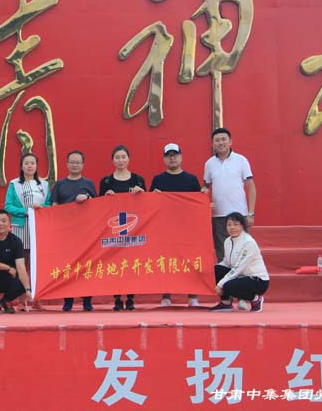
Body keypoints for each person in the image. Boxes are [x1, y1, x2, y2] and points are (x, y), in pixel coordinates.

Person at [150, 142, 202, 308]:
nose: (172, 158)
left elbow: (198, 203)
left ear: (181, 157)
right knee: (166, 260)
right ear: (164, 159)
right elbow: (150, 204)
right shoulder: (158, 180)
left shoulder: (191, 179)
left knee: (190, 260)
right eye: (168, 156)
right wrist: (154, 196)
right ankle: (166, 295)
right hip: (165, 228)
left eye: (175, 155)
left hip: (187, 227)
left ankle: (192, 296)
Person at [99, 145, 145, 311]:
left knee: (131, 262)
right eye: (117, 157)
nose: (120, 160)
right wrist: (106, 197)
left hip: (134, 229)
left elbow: (147, 205)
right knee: (115, 262)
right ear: (112, 160)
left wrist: (141, 193)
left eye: (123, 157)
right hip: (113, 229)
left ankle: (131, 297)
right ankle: (117, 297)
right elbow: (99, 206)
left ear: (128, 159)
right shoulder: (106, 181)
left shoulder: (138, 179)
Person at [51, 150, 97, 312]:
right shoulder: (60, 184)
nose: (75, 165)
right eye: (72, 162)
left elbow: (97, 206)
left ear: (83, 165)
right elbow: (54, 207)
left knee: (87, 266)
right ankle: (68, 300)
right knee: (67, 266)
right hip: (66, 233)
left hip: (85, 232)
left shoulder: (89, 184)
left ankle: (87, 300)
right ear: (67, 164)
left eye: (78, 162)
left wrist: (87, 198)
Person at [202, 128, 257, 262]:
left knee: (242, 251)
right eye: (217, 140)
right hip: (218, 215)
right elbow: (205, 187)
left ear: (230, 141)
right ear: (212, 144)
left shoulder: (241, 160)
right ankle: (225, 276)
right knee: (222, 253)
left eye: (223, 139)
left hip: (239, 213)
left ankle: (242, 275)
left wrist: (251, 213)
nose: (221, 143)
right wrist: (204, 195)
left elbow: (251, 187)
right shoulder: (209, 164)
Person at [209, 212, 269, 312]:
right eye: (229, 225)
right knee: (216, 270)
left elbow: (238, 268)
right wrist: (210, 270)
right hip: (240, 275)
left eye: (236, 224)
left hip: (256, 280)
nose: (232, 228)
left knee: (228, 286)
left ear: (242, 226)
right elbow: (226, 263)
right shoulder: (228, 241)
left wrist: (220, 284)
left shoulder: (248, 242)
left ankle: (256, 299)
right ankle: (226, 303)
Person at [5, 153, 51, 274]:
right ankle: (22, 282)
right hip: (21, 225)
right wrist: (25, 212)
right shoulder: (14, 184)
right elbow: (8, 206)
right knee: (22, 255)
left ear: (36, 166)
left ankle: (37, 282)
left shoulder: (44, 184)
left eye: (32, 163)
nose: (29, 166)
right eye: (26, 163)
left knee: (37, 255)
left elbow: (50, 204)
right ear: (21, 166)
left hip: (39, 225)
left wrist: (41, 208)